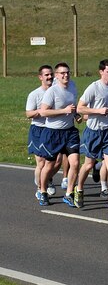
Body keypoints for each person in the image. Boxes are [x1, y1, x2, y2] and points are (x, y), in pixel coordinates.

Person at [74, 59, 108, 209]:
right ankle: (79, 189)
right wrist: (98, 111)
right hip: (93, 132)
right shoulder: (94, 88)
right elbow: (80, 108)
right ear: (101, 72)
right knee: (89, 164)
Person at [37, 62, 82, 206]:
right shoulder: (52, 91)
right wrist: (64, 111)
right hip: (53, 132)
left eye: (67, 72)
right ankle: (43, 191)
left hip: (70, 131)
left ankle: (69, 194)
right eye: (62, 73)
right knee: (49, 165)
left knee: (75, 163)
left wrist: (76, 115)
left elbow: (72, 107)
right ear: (56, 75)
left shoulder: (73, 87)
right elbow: (43, 112)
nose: (66, 75)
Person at [26, 65, 56, 200]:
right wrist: (42, 111)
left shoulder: (57, 91)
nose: (50, 77)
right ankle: (40, 188)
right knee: (42, 162)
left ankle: (47, 178)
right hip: (38, 130)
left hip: (53, 129)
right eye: (46, 75)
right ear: (40, 77)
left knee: (57, 160)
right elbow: (28, 114)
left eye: (51, 74)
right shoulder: (34, 94)